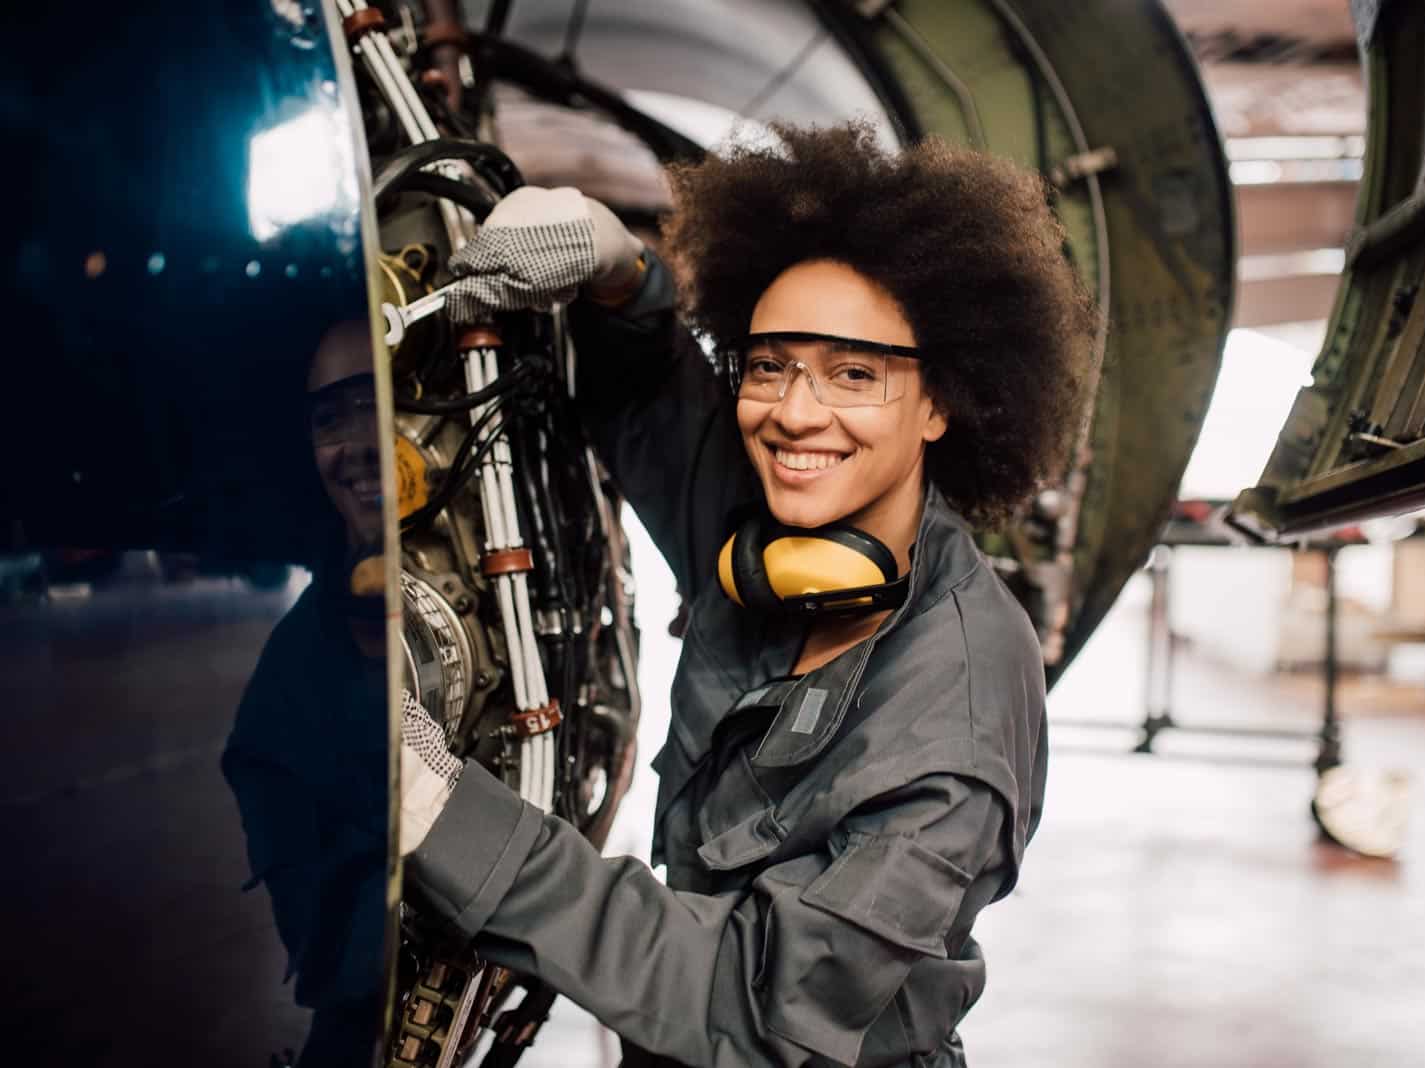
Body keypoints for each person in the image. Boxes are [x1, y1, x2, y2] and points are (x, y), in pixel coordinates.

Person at [402, 121, 1096, 1067]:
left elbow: (757, 1001)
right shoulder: (781, 539)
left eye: (855, 373)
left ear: (941, 402)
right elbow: (655, 393)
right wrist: (620, 273)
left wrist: (439, 811)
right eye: (769, 365)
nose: (795, 413)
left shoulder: (957, 709)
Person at [223, 321, 389, 1067]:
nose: (355, 443)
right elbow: (340, 977)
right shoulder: (286, 691)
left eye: (375, 401)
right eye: (330, 419)